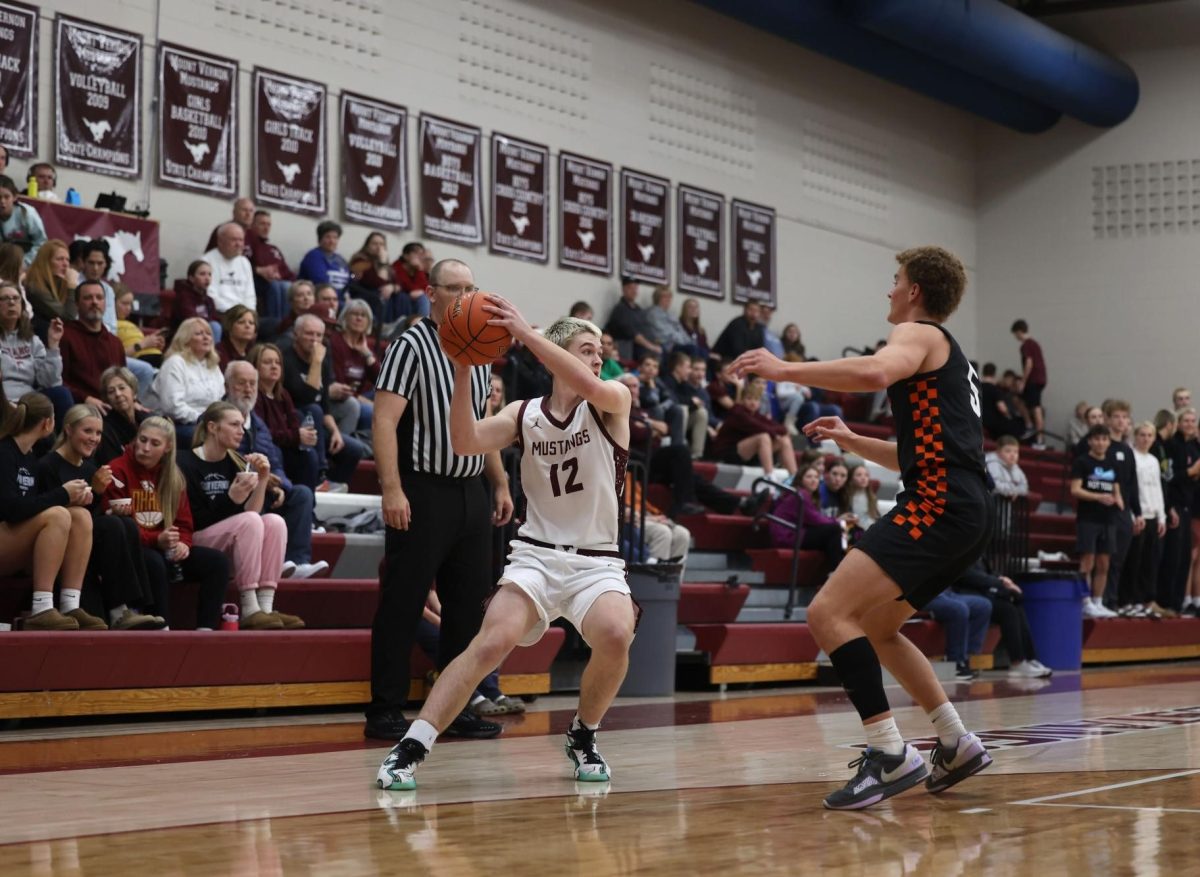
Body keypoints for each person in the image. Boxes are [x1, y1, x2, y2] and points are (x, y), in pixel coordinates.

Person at [732, 245, 993, 810]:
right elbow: (920, 454)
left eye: (896, 280)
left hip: (943, 501)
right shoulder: (951, 357)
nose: (890, 290)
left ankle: (890, 753)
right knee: (879, 625)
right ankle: (955, 740)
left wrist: (783, 369)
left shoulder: (919, 334)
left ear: (916, 291)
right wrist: (853, 441)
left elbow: (874, 371)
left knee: (828, 612)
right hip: (964, 504)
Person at [376, 306, 636, 791]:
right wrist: (461, 368)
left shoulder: (611, 401)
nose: (597, 361)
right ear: (557, 354)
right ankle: (411, 745)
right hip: (536, 554)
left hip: (596, 560)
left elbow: (596, 386)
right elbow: (464, 439)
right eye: (586, 351)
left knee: (617, 634)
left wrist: (522, 331)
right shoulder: (524, 414)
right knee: (490, 642)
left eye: (599, 354)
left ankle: (584, 734)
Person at [366, 258, 513, 743]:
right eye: (456, 288)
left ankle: (457, 708)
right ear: (431, 293)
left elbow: (480, 425)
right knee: (403, 602)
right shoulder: (410, 344)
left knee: (468, 610)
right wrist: (391, 488)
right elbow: (384, 420)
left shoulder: (481, 346)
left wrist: (500, 483)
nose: (466, 296)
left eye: (472, 288)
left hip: (470, 490)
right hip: (422, 488)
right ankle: (385, 710)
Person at [36, 404, 164, 630]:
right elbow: (49, 514)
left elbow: (91, 513)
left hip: (87, 543)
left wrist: (108, 507)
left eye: (98, 433)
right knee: (113, 526)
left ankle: (130, 609)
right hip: (58, 546)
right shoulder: (48, 465)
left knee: (124, 524)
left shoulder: (89, 468)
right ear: (68, 430)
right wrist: (94, 493)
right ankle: (119, 611)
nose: (94, 438)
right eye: (88, 431)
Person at [180, 401, 304, 630]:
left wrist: (264, 477)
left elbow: (253, 515)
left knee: (274, 521)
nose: (242, 431)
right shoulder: (184, 462)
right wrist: (232, 498)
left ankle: (266, 607)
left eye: (243, 425)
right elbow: (193, 521)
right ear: (212, 427)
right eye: (234, 424)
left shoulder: (236, 461)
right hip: (194, 542)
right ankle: (249, 607)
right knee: (249, 521)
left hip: (232, 542)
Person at [104, 417, 229, 629]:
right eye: (142, 440)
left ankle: (206, 630)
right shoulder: (116, 470)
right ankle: (162, 628)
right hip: (136, 550)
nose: (144, 448)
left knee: (217, 562)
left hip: (165, 546)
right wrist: (155, 540)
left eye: (154, 443)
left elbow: (185, 524)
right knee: (154, 562)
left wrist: (183, 544)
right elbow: (118, 527)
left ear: (168, 447)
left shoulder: (173, 476)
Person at [0, 392, 103, 630]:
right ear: (48, 423)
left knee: (80, 515)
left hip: (12, 538)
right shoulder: (5, 452)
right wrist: (63, 494)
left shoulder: (29, 457)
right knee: (59, 513)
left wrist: (73, 498)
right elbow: (9, 509)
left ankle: (70, 604)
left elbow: (31, 506)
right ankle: (42, 608)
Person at [225, 359, 325, 579]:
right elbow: (225, 456)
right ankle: (262, 563)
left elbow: (275, 459)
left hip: (266, 485)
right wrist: (262, 477)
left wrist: (281, 485)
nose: (249, 389)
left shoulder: (258, 423)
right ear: (227, 386)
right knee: (252, 487)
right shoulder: (217, 416)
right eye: (242, 383)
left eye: (252, 383)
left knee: (301, 494)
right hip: (233, 489)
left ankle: (297, 562)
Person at [281, 313, 365, 492]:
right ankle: (320, 475)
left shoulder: (323, 360)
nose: (314, 340)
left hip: (316, 424)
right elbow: (307, 396)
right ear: (296, 334)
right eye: (309, 334)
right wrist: (316, 363)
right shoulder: (286, 358)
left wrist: (336, 432)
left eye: (319, 335)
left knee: (354, 449)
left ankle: (331, 486)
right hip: (293, 423)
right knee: (313, 409)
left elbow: (325, 405)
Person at [952, 559, 1052, 678]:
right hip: (966, 593)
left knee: (1016, 603)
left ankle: (1030, 658)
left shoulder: (978, 551)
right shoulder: (961, 549)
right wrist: (999, 582)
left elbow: (989, 571)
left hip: (984, 591)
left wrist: (1004, 579)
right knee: (1008, 610)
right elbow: (967, 576)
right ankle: (1017, 662)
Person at [252, 342, 321, 491]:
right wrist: (297, 436)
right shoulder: (254, 395)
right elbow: (263, 433)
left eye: (277, 363)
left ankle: (308, 505)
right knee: (277, 452)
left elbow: (294, 425)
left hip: (286, 446)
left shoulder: (283, 394)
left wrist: (304, 437)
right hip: (265, 450)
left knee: (309, 455)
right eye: (267, 362)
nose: (274, 366)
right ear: (255, 366)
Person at [0, 282, 72, 422]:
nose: (11, 302)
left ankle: (65, 442)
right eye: (4, 298)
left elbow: (50, 382)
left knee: (61, 394)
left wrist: (53, 346)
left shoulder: (32, 340)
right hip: (4, 399)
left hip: (29, 400)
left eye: (16, 298)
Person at [1071, 425, 1122, 619]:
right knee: (1087, 562)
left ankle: (1098, 601)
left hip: (1108, 519)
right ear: (1090, 441)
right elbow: (1075, 490)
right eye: (1097, 439)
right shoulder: (1082, 462)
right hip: (1088, 519)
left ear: (1109, 442)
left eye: (1104, 439)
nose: (1101, 443)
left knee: (1104, 563)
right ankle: (1084, 601)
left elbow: (1116, 487)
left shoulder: (1112, 463)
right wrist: (1098, 497)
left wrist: (1118, 499)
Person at [149, 318, 225, 445]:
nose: (206, 337)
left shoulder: (213, 366)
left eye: (208, 334)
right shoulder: (175, 363)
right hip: (176, 425)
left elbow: (219, 401)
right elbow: (172, 407)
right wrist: (203, 419)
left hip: (207, 423)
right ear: (185, 339)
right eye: (199, 334)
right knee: (213, 438)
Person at [1123, 421, 1168, 617]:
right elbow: (1131, 489)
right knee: (1134, 559)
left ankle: (1145, 600)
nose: (1146, 439)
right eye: (1142, 434)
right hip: (1137, 514)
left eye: (1150, 435)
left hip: (1152, 515)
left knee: (1149, 561)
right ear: (1135, 435)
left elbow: (1157, 489)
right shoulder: (1131, 456)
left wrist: (1162, 517)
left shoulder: (1153, 460)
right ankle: (1128, 600)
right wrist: (1134, 514)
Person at [767, 464, 850, 571]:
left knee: (834, 537)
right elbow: (815, 519)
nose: (813, 480)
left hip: (795, 532)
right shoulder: (800, 495)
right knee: (835, 529)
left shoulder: (802, 494)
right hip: (787, 535)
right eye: (809, 477)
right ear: (800, 479)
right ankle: (836, 573)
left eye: (816, 477)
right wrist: (839, 520)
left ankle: (834, 573)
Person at [710, 380, 796, 482]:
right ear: (742, 400)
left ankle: (794, 478)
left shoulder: (755, 414)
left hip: (746, 453)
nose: (753, 402)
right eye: (749, 398)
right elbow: (760, 427)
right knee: (763, 437)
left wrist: (779, 433)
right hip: (727, 453)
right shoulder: (738, 411)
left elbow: (781, 428)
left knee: (784, 440)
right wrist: (775, 433)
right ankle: (770, 477)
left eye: (756, 399)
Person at [59, 281, 126, 412]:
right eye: (88, 298)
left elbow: (123, 380)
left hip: (115, 406)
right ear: (77, 304)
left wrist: (133, 401)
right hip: (82, 408)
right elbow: (58, 381)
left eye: (99, 298)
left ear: (105, 304)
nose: (94, 302)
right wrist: (85, 398)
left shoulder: (115, 342)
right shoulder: (65, 337)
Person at [326, 299, 379, 440]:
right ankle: (351, 445)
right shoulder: (335, 342)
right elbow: (340, 384)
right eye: (354, 314)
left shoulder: (365, 346)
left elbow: (382, 380)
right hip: (339, 397)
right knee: (372, 410)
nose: (359, 318)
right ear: (344, 317)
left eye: (363, 315)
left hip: (358, 395)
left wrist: (367, 353)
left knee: (389, 397)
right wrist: (362, 400)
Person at [922, 588, 992, 682]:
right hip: (923, 595)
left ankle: (968, 657)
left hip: (946, 593)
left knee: (983, 606)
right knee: (959, 609)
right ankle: (956, 662)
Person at [246, 209, 294, 323]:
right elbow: (241, 266)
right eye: (262, 224)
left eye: (268, 224)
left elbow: (288, 274)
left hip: (278, 283)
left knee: (288, 286)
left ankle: (287, 324)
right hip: (256, 284)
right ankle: (276, 324)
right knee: (277, 286)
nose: (266, 228)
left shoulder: (273, 249)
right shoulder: (247, 244)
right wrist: (259, 270)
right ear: (252, 225)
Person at [96, 366, 145, 465]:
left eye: (122, 388)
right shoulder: (106, 429)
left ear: (134, 392)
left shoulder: (145, 419)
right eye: (111, 391)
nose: (118, 394)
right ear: (107, 399)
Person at [203, 223, 256, 314]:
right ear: (220, 241)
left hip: (243, 315)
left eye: (241, 240)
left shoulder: (245, 262)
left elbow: (250, 295)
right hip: (220, 313)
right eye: (234, 240)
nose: (238, 244)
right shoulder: (206, 261)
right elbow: (210, 296)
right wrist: (234, 313)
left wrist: (249, 313)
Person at [347, 231, 397, 328]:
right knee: (380, 293)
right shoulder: (359, 259)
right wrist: (382, 263)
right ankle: (379, 327)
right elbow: (375, 282)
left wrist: (392, 287)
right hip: (362, 294)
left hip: (376, 294)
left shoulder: (385, 263)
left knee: (401, 297)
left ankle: (394, 326)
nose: (379, 247)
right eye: (375, 244)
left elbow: (398, 283)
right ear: (367, 245)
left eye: (382, 244)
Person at [22, 239, 73, 329]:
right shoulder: (35, 286)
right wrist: (72, 287)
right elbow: (68, 318)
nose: (65, 264)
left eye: (67, 259)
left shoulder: (60, 283)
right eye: (60, 259)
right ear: (46, 262)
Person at [1010, 320, 1047, 447]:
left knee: (1036, 407)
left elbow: (1029, 363)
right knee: (1018, 400)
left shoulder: (1026, 345)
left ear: (1019, 331)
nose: (1016, 337)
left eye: (1015, 334)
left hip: (1033, 380)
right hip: (1039, 379)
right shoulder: (1035, 344)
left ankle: (1040, 437)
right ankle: (1029, 424)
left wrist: (1023, 381)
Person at [604, 276, 657, 361]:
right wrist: (651, 346)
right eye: (630, 288)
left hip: (644, 347)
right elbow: (633, 334)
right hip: (630, 349)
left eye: (635, 288)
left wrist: (656, 344)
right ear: (623, 289)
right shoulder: (620, 309)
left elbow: (647, 328)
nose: (634, 291)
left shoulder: (638, 309)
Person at [298, 221, 351, 301]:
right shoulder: (314, 256)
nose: (332, 241)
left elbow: (349, 282)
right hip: (323, 299)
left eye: (335, 237)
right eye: (328, 237)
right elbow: (321, 284)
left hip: (340, 299)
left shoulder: (341, 259)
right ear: (320, 239)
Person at [0, 175, 46, 265]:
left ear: (15, 197)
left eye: (6, 197)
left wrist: (25, 263)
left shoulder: (28, 213)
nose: (2, 201)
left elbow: (41, 243)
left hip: (29, 262)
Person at [171, 260, 222, 341]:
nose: (207, 278)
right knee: (215, 327)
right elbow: (191, 319)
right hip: (185, 334)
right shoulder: (184, 297)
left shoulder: (209, 300)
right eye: (202, 274)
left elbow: (214, 318)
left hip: (203, 333)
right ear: (191, 278)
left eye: (209, 274)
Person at [114, 287, 164, 368]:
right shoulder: (110, 325)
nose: (129, 308)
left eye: (130, 304)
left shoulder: (131, 324)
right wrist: (144, 344)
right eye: (124, 303)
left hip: (154, 356)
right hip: (141, 360)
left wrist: (155, 344)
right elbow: (117, 356)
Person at [642, 286, 692, 356]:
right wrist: (684, 342)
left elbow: (682, 332)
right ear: (657, 298)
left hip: (679, 344)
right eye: (665, 296)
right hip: (667, 346)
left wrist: (689, 342)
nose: (668, 299)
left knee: (699, 350)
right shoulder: (653, 314)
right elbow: (666, 334)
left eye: (670, 297)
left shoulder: (672, 315)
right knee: (692, 349)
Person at [390, 241, 431, 319]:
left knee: (425, 298)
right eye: (416, 253)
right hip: (399, 302)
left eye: (421, 254)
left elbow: (426, 289)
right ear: (406, 256)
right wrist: (420, 269)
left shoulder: (420, 271)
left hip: (413, 303)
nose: (419, 257)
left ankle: (422, 325)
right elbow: (408, 288)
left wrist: (420, 269)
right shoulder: (396, 267)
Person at [216, 304, 258, 370]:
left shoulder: (255, 353)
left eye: (251, 323)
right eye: (241, 322)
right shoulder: (219, 353)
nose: (247, 326)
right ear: (229, 326)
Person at [840, 463, 881, 530]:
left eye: (866, 475)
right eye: (859, 475)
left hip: (870, 530)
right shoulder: (846, 496)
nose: (863, 478)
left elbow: (876, 517)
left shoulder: (872, 497)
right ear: (851, 479)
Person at [678, 297, 712, 365]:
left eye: (696, 307)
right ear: (684, 310)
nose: (694, 310)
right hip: (685, 355)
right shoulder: (679, 325)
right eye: (690, 307)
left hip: (701, 357)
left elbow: (705, 347)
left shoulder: (701, 330)